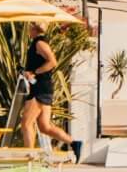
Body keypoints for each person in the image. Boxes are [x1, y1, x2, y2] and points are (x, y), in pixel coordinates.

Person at [19, 22, 80, 160]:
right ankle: (74, 143)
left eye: (29, 27)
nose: (28, 30)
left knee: (26, 123)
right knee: (45, 127)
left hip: (40, 88)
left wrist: (35, 72)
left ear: (34, 29)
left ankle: (30, 157)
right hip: (43, 88)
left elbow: (53, 62)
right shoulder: (37, 42)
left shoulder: (39, 43)